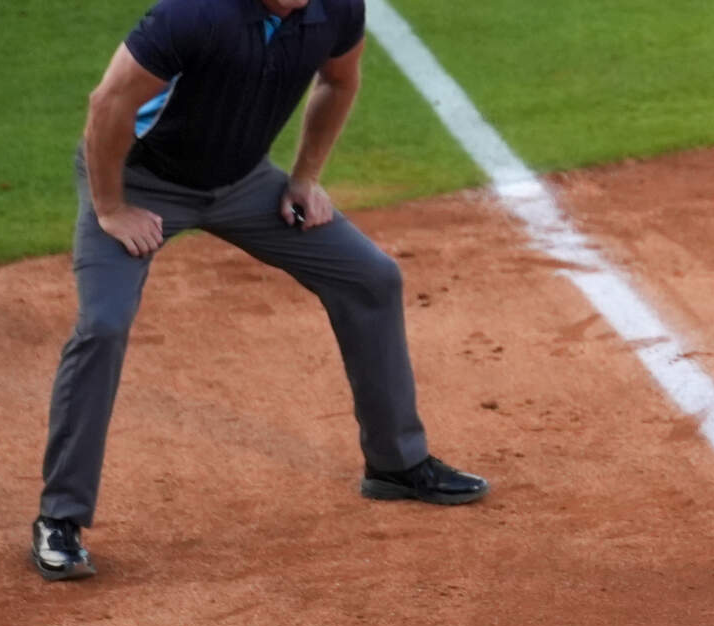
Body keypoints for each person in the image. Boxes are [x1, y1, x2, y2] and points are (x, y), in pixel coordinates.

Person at [30, 0, 486, 583]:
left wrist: (305, 178)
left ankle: (395, 464)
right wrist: (112, 207)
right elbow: (108, 103)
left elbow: (339, 80)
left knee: (371, 278)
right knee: (103, 324)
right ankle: (60, 518)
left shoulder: (336, 9)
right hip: (140, 184)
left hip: (243, 185)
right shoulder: (193, 14)